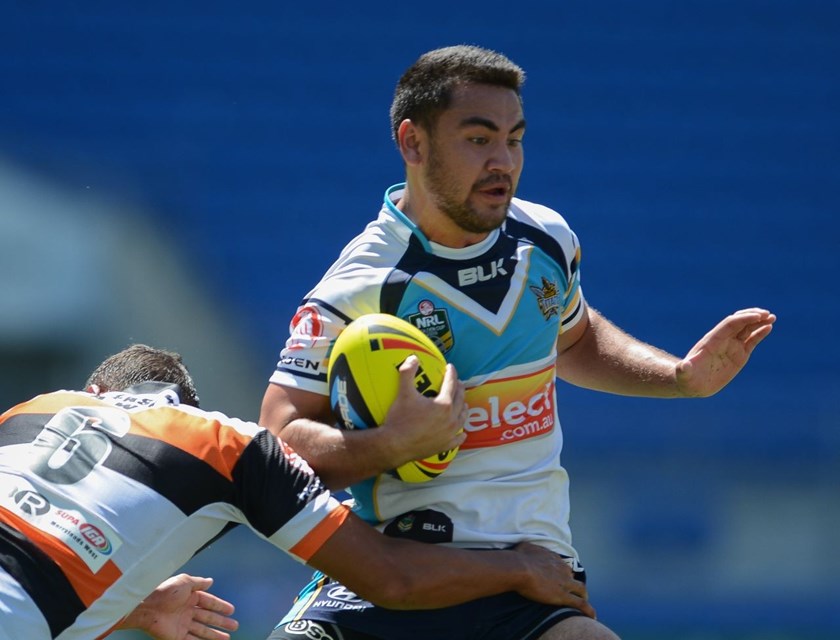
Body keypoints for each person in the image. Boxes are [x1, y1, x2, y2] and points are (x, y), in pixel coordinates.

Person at [259, 45, 776, 640]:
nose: (503, 160)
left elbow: (575, 339)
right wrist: (390, 443)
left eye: (515, 139)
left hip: (530, 584)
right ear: (413, 143)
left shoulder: (547, 240)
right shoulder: (361, 286)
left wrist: (679, 378)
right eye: (479, 140)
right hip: (395, 572)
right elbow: (277, 445)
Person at [0, 344, 594, 640]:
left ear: (95, 389)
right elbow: (389, 578)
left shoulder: (29, 410)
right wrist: (519, 569)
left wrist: (137, 605)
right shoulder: (225, 444)